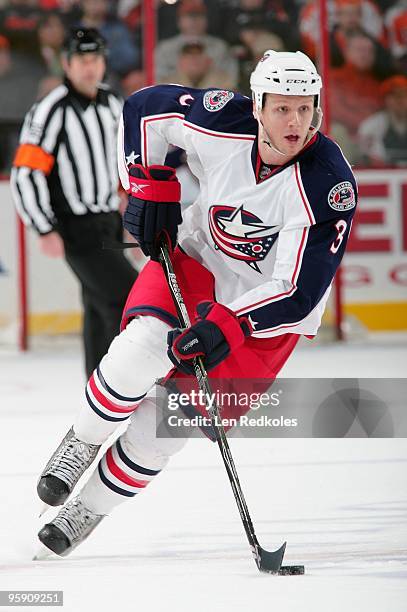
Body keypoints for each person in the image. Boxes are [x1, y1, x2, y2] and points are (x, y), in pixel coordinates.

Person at [34, 50, 358, 558]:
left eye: (305, 108)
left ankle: (91, 507)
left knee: (166, 425)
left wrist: (225, 326)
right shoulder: (220, 118)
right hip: (200, 261)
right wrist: (148, 187)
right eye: (281, 108)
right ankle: (82, 440)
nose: (295, 122)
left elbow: (298, 290)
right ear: (258, 106)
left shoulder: (328, 184)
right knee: (136, 352)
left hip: (261, 318)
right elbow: (143, 108)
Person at [10, 27, 137, 377]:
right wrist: (43, 227)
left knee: (99, 306)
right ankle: (121, 383)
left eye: (95, 58)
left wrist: (131, 207)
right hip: (76, 227)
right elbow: (26, 172)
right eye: (82, 59)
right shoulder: (51, 110)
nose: (89, 67)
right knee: (126, 298)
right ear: (66, 64)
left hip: (108, 220)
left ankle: (98, 390)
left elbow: (126, 160)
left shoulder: (113, 103)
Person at [358, 75, 407, 166]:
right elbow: (372, 160)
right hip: (386, 174)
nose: (400, 100)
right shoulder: (371, 126)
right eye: (395, 96)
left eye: (404, 95)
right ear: (384, 100)